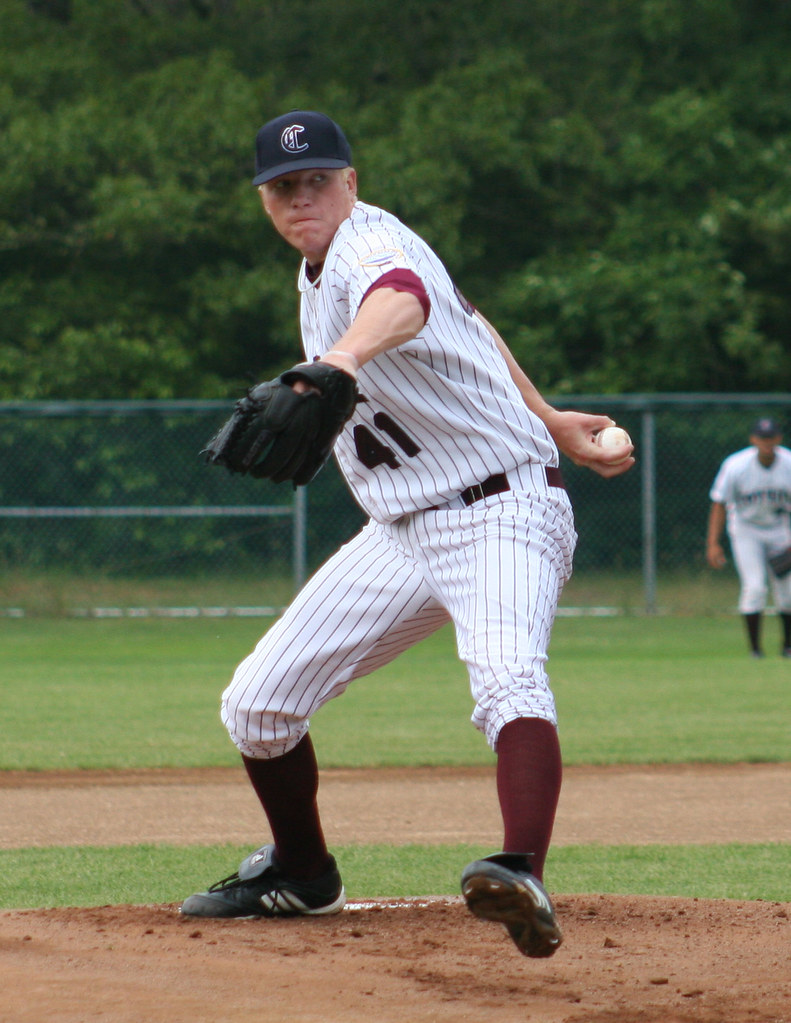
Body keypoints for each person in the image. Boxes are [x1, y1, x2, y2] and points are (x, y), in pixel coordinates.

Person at [180, 111, 634, 957]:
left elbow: (408, 301)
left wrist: (340, 363)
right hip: (403, 526)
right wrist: (549, 413)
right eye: (283, 187)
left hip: (502, 507)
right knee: (258, 704)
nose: (301, 197)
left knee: (505, 675)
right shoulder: (316, 272)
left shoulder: (367, 248)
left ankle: (520, 867)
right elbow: (466, 319)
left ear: (350, 182)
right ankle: (303, 873)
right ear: (263, 203)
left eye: (317, 179)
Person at [706, 417, 791, 658]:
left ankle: (787, 647)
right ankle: (755, 650)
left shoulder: (788, 463)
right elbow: (719, 503)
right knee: (754, 587)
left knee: (788, 590)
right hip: (746, 529)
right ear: (753, 439)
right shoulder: (736, 465)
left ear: (778, 438)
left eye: (771, 437)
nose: (767, 442)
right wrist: (713, 543)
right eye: (762, 437)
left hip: (779, 528)